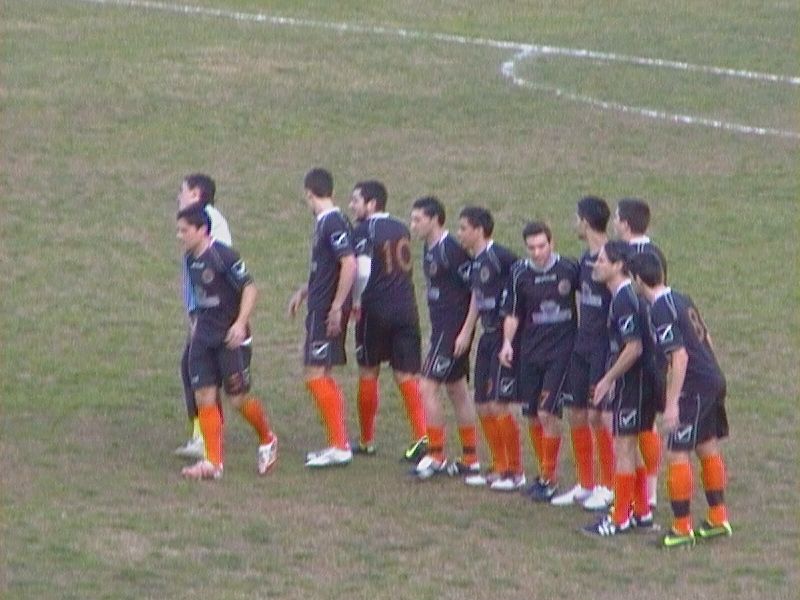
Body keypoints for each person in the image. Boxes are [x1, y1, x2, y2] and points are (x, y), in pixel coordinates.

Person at [629, 252, 732, 548]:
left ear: (638, 280)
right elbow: (706, 338)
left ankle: (681, 527)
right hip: (713, 379)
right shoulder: (681, 298)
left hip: (694, 388)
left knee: (677, 452)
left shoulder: (660, 309)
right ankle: (718, 519)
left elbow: (680, 356)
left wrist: (673, 404)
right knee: (707, 446)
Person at [176, 206, 277, 480]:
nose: (180, 236)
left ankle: (268, 439)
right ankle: (213, 462)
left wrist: (240, 323)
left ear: (202, 230)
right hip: (203, 337)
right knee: (203, 396)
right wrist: (195, 322)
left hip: (230, 338)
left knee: (237, 398)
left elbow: (250, 288)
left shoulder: (223, 256)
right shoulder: (189, 258)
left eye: (185, 230)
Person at [347, 180, 428, 462]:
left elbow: (362, 271)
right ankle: (422, 437)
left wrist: (356, 300)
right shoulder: (401, 227)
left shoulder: (363, 230)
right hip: (406, 308)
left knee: (368, 371)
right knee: (406, 376)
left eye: (356, 201)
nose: (352, 206)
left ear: (371, 204)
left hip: (375, 310)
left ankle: (367, 440)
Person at [499, 222, 579, 500]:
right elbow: (512, 313)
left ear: (552, 243)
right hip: (531, 351)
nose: (537, 252)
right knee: (532, 414)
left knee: (547, 413)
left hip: (562, 352)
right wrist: (507, 343)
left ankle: (550, 477)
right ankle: (544, 474)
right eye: (531, 248)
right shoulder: (519, 273)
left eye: (541, 246)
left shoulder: (569, 269)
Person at [582, 240, 656, 536]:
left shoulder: (624, 299)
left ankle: (619, 517)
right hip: (640, 383)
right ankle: (641, 511)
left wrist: (608, 379)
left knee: (623, 448)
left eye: (602, 260)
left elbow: (633, 347)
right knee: (630, 448)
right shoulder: (625, 297)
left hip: (632, 383)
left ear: (618, 266)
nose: (595, 265)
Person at [288, 168, 356, 468]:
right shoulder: (328, 222)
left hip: (326, 310)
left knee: (315, 374)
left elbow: (349, 264)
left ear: (309, 193)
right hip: (321, 305)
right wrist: (305, 290)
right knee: (321, 373)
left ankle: (340, 445)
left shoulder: (332, 222)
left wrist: (337, 306)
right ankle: (338, 443)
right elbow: (329, 268)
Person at [551, 197, 615, 510]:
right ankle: (585, 483)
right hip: (582, 344)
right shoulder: (585, 258)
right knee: (576, 412)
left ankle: (608, 485)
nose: (574, 223)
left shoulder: (612, 259)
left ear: (586, 222)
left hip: (603, 346)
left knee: (598, 416)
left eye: (577, 218)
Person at [408, 196, 480, 479]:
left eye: (418, 220)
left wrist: (466, 331)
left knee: (426, 387)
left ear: (435, 219)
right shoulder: (429, 247)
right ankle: (471, 458)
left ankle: (436, 455)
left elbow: (477, 289)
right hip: (442, 330)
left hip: (452, 331)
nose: (413, 225)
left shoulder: (451, 250)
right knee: (457, 390)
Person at [457, 207, 523, 491]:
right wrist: (466, 331)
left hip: (504, 338)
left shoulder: (502, 257)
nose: (459, 234)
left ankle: (515, 471)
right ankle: (499, 464)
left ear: (479, 230)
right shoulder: (476, 262)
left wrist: (515, 333)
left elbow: (521, 289)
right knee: (483, 404)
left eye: (463, 228)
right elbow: (477, 295)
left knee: (499, 404)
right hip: (486, 336)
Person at [174, 173, 232, 460]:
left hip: (211, 315)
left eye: (182, 190)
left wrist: (200, 314)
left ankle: (207, 438)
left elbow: (216, 271)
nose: (179, 196)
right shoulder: (198, 221)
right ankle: (205, 435)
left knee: (200, 372)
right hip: (202, 312)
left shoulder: (209, 223)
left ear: (196, 194)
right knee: (193, 369)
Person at [614, 197, 667, 508]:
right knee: (646, 423)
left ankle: (644, 491)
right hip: (655, 350)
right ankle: (649, 488)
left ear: (624, 223)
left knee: (638, 425)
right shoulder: (656, 252)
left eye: (617, 218)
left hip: (638, 350)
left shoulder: (627, 256)